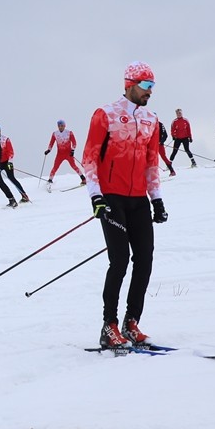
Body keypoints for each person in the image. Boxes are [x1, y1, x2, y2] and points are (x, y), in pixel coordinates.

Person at [83, 61, 166, 349]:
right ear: (129, 84)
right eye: (146, 85)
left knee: (145, 259)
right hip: (112, 198)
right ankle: (109, 326)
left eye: (153, 86)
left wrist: (156, 199)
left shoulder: (151, 120)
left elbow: (151, 162)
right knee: (119, 261)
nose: (150, 92)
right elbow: (90, 157)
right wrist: (96, 196)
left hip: (138, 199)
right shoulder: (105, 114)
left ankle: (132, 322)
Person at [44, 119, 85, 191]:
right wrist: (48, 150)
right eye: (59, 126)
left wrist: (72, 150)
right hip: (60, 154)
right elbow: (51, 143)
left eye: (62, 126)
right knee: (55, 167)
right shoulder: (55, 134)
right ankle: (50, 180)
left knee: (74, 166)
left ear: (64, 126)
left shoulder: (69, 133)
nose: (60, 127)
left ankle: (83, 179)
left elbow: (74, 142)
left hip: (68, 153)